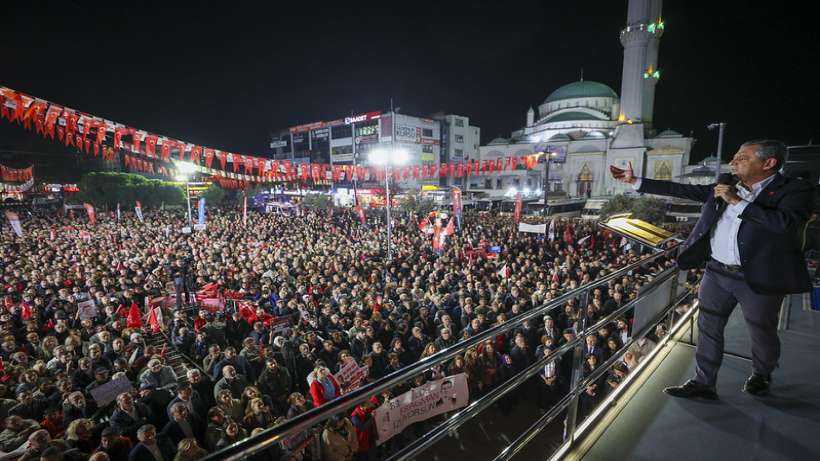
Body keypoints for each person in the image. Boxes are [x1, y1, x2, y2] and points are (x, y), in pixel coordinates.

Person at [611, 139, 815, 398]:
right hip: (717, 273)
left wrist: (737, 202)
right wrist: (636, 181)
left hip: (758, 277)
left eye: (742, 157)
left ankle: (762, 373)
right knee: (708, 326)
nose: (734, 162)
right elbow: (684, 189)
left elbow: (785, 225)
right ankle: (704, 382)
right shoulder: (728, 183)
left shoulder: (794, 190)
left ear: (768, 163)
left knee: (761, 330)